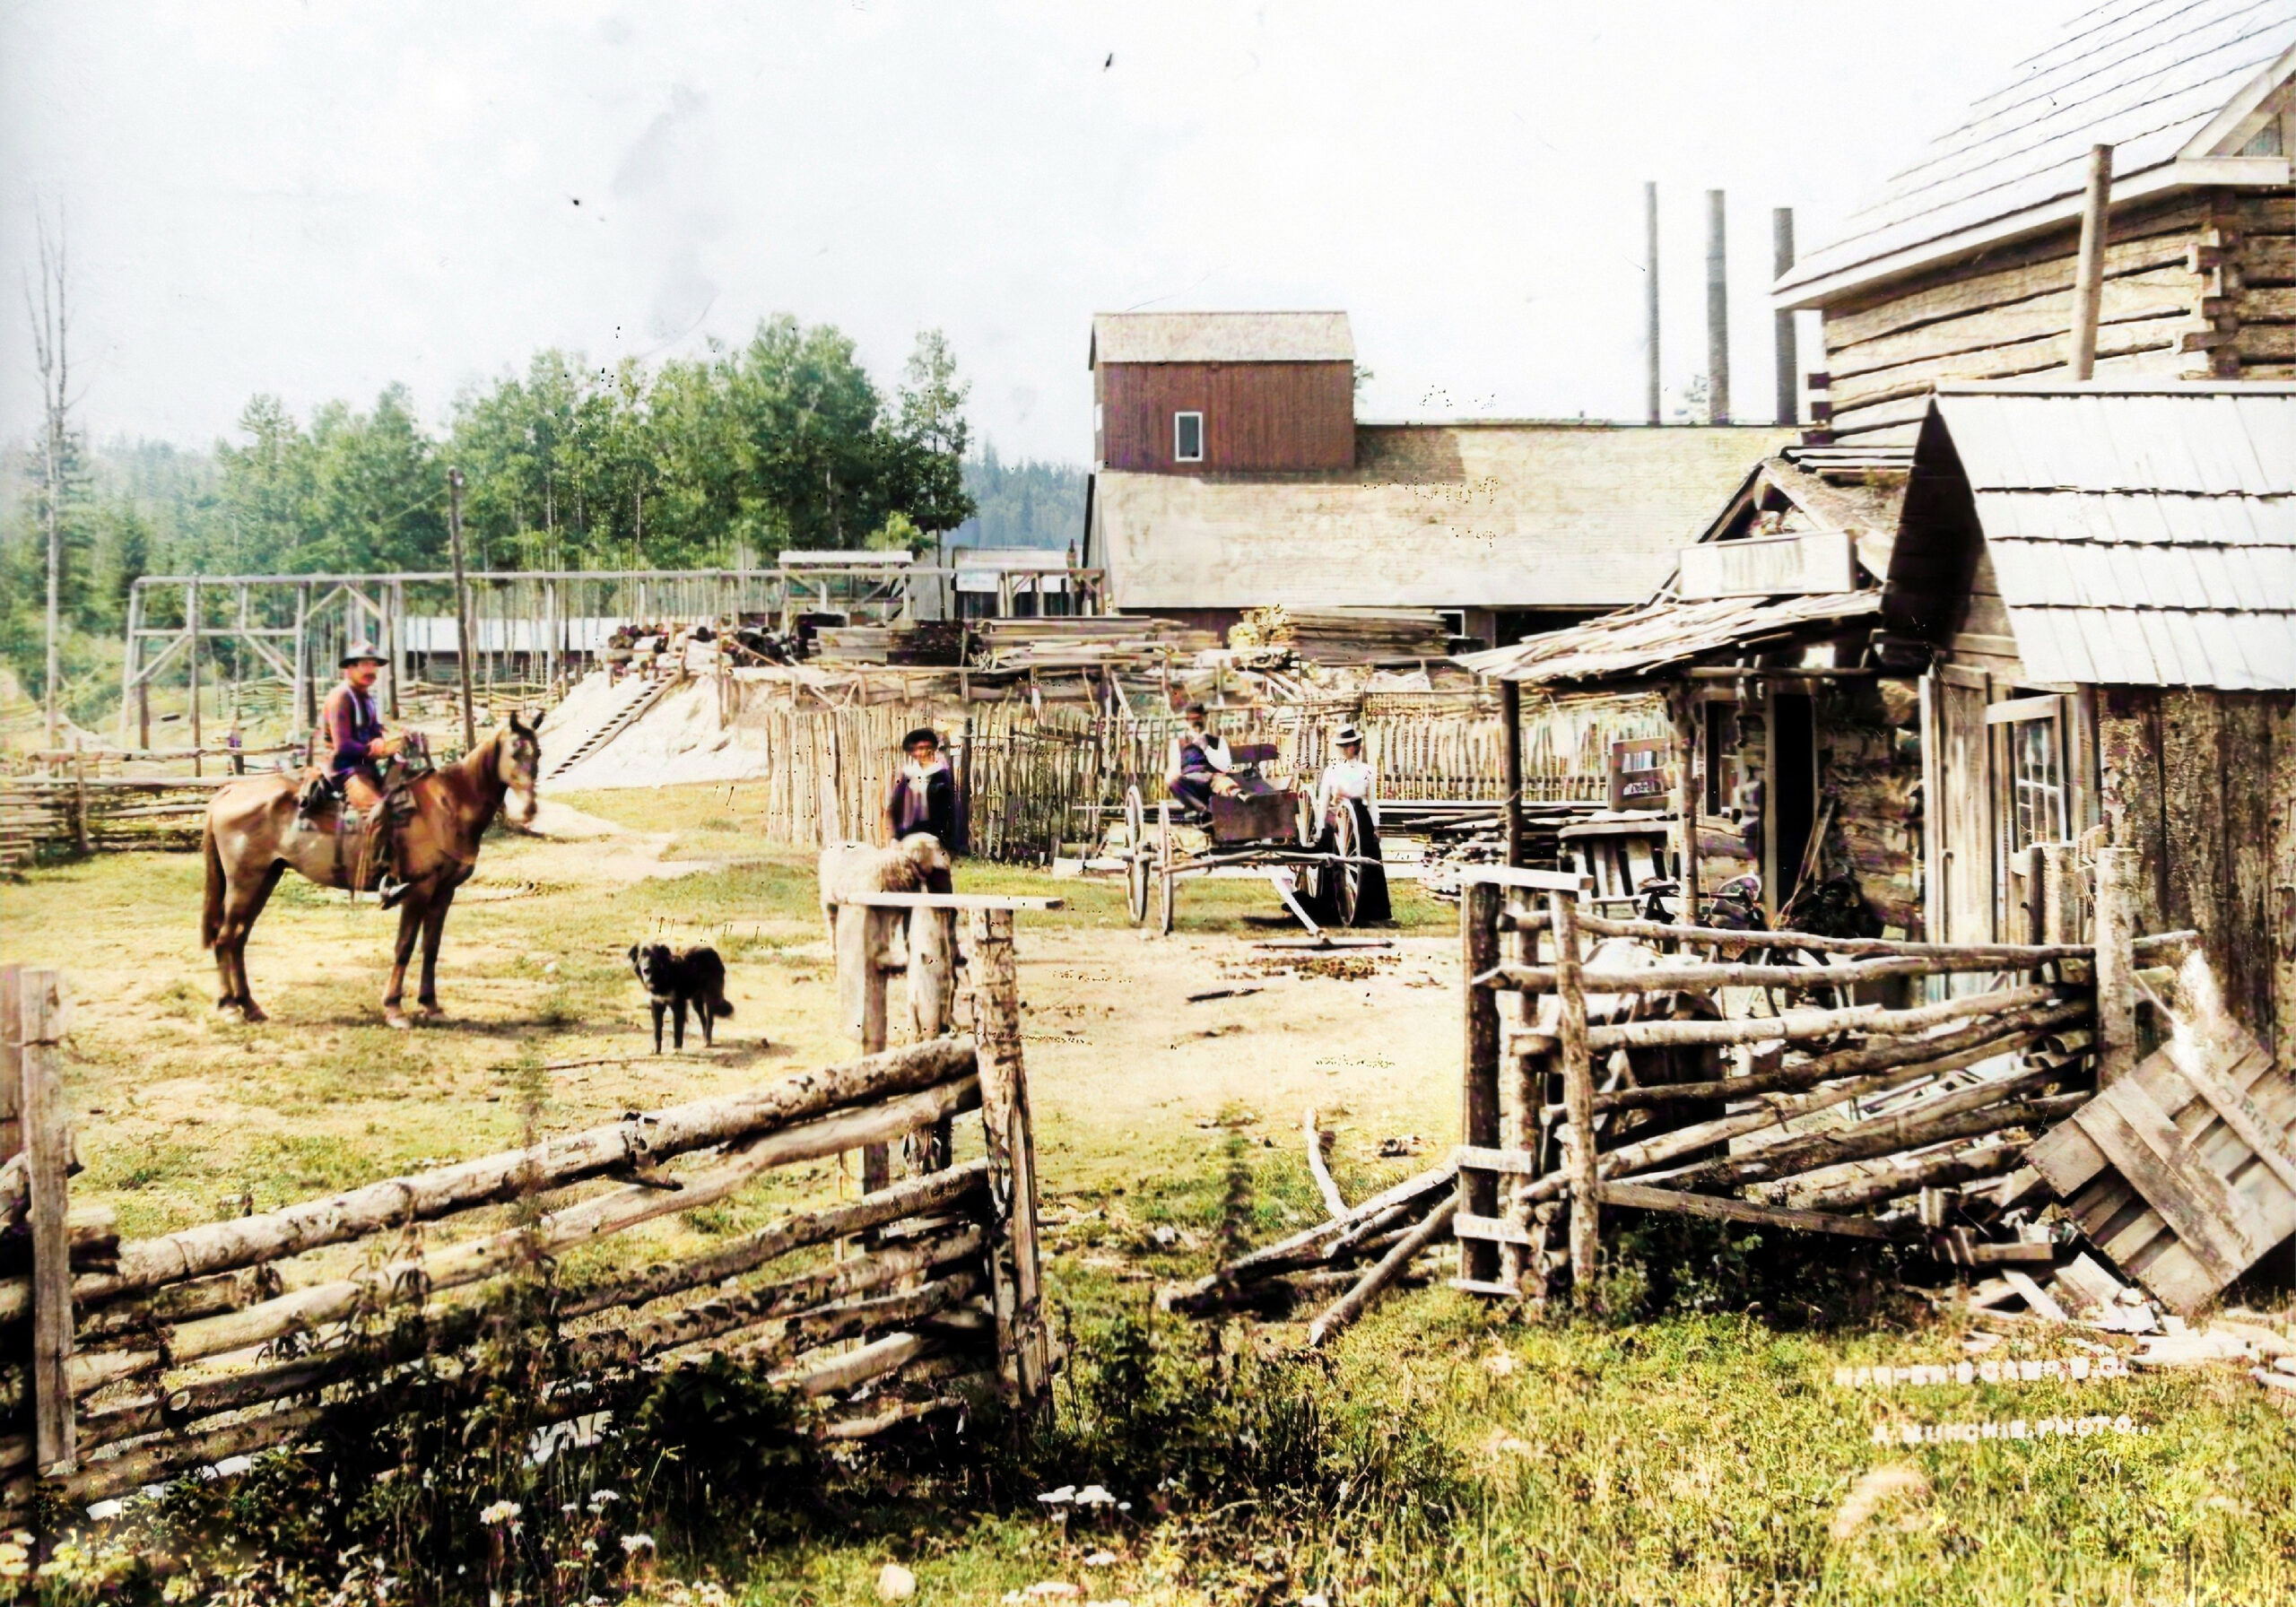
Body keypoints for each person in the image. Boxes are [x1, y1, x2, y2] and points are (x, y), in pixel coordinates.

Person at [321, 645, 411, 906]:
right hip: (345, 769)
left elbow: (373, 729)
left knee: (405, 800)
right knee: (379, 811)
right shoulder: (341, 697)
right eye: (364, 664)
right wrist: (373, 749)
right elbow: (343, 746)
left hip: (367, 766)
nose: (370, 670)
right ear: (349, 668)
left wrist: (387, 737)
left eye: (373, 665)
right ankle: (382, 877)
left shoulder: (366, 698)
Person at [1310, 722, 1391, 923]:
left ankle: (1373, 912)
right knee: (1332, 861)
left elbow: (1373, 802)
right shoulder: (1332, 770)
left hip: (1361, 820)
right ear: (1342, 748)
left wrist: (1376, 827)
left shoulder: (1368, 770)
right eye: (1347, 746)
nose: (1352, 749)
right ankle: (1331, 909)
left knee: (1369, 863)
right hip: (1337, 818)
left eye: (1354, 744)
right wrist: (1321, 827)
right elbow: (1323, 801)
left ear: (1358, 745)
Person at [884, 726, 959, 855]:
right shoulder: (907, 775)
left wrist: (950, 842)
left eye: (925, 748)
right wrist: (895, 836)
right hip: (907, 834)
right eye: (917, 749)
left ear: (932, 749)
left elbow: (951, 810)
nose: (922, 753)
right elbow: (895, 807)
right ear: (912, 752)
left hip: (934, 836)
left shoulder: (941, 775)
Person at [1165, 703, 1238, 816]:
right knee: (1174, 783)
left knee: (1230, 786)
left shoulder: (1217, 741)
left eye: (1200, 718)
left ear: (1205, 718)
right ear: (1187, 720)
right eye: (1193, 719)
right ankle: (1204, 812)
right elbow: (1173, 768)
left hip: (1213, 780)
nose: (1197, 721)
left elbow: (1225, 766)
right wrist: (1175, 778)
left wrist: (1206, 748)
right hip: (1191, 780)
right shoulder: (1178, 742)